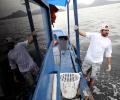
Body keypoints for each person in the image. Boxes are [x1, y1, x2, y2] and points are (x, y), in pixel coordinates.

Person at [74, 24, 112, 89]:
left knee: (93, 78)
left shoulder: (108, 41)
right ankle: (80, 87)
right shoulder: (94, 35)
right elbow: (84, 34)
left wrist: (109, 64)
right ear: (101, 30)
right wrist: (77, 30)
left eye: (108, 30)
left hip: (98, 62)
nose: (107, 32)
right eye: (105, 30)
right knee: (83, 74)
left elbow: (108, 54)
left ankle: (89, 91)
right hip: (88, 60)